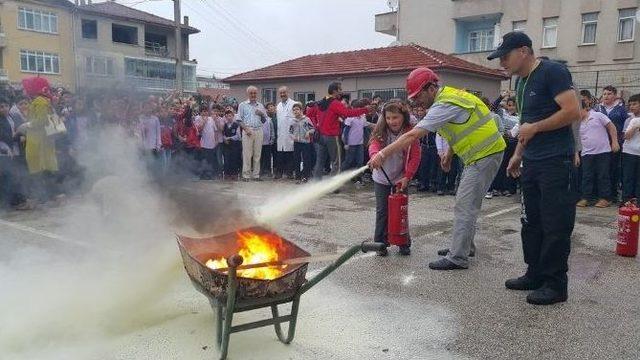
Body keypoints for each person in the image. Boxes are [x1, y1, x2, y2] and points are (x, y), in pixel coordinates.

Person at [369, 67, 505, 271]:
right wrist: (449, 154)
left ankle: (458, 257)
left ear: (431, 88)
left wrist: (382, 154)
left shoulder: (444, 104)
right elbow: (461, 127)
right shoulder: (451, 97)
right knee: (466, 204)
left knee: (464, 205)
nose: (417, 101)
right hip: (479, 155)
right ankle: (465, 247)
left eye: (419, 95)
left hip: (484, 155)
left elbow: (412, 136)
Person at [490, 31, 580, 305]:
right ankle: (535, 272)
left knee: (555, 224)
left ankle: (555, 284)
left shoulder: (553, 71)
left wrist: (537, 128)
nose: (502, 62)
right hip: (533, 160)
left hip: (556, 160)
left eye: (505, 56)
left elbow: (572, 111)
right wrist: (518, 153)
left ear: (524, 51)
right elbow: (527, 123)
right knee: (531, 221)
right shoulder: (521, 82)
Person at [368, 102, 421, 256]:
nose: (392, 121)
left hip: (400, 178)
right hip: (381, 179)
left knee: (401, 211)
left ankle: (404, 242)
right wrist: (374, 156)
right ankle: (380, 244)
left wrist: (407, 176)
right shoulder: (380, 131)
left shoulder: (411, 133)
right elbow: (373, 146)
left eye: (395, 117)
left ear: (403, 117)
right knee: (382, 211)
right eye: (389, 118)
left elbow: (415, 156)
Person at [314, 82, 371, 179]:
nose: (341, 92)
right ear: (335, 91)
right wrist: (364, 110)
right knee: (336, 161)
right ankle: (333, 186)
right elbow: (347, 113)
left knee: (320, 161)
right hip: (332, 136)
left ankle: (316, 183)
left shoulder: (321, 102)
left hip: (321, 136)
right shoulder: (335, 103)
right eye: (340, 90)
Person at [576, 100, 619, 207]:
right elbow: (575, 140)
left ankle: (605, 198)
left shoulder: (598, 115)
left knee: (603, 175)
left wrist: (614, 141)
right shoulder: (577, 123)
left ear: (585, 108)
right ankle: (587, 197)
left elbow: (611, 127)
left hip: (603, 152)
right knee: (587, 176)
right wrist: (576, 154)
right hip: (586, 153)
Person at [597, 85, 627, 202]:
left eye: (609, 94)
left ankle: (613, 194)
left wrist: (620, 141)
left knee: (613, 168)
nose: (606, 96)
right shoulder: (597, 108)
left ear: (615, 95)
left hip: (615, 143)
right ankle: (600, 193)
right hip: (600, 143)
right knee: (602, 169)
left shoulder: (621, 109)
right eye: (604, 94)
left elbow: (626, 124)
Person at [237, 86, 268, 181]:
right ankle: (246, 175)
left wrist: (261, 114)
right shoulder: (242, 105)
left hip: (259, 130)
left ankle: (256, 175)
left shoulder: (260, 106)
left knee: (257, 154)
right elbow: (239, 120)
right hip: (248, 131)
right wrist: (246, 129)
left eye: (255, 93)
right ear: (248, 94)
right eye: (251, 93)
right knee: (247, 154)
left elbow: (264, 120)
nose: (253, 95)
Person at [289, 102, 315, 183]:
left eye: (297, 109)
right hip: (297, 143)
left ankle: (305, 176)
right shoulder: (292, 121)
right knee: (296, 159)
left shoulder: (306, 119)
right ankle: (297, 177)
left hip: (306, 143)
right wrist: (293, 137)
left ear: (301, 110)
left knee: (306, 160)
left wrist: (309, 132)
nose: (295, 111)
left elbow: (313, 129)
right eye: (294, 110)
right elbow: (290, 132)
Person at [621, 94, 640, 202]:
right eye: (630, 105)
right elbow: (626, 136)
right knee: (628, 177)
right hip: (629, 152)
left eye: (635, 104)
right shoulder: (629, 120)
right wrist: (635, 126)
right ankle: (626, 200)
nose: (632, 107)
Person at [275, 87, 295, 179]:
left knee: (290, 155)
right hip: (281, 134)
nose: (282, 94)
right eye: (281, 93)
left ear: (288, 92)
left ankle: (289, 173)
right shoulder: (278, 105)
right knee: (280, 155)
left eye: (284, 92)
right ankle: (279, 173)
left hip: (290, 134)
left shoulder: (294, 104)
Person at [199, 107, 219, 180]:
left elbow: (216, 131)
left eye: (206, 111)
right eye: (203, 111)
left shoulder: (211, 119)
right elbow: (200, 129)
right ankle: (203, 175)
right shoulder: (199, 119)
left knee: (211, 160)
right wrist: (204, 121)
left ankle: (210, 175)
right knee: (204, 160)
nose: (205, 113)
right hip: (203, 144)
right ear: (201, 112)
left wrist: (216, 140)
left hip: (211, 144)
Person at [222, 109, 242, 180]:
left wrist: (230, 138)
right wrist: (224, 139)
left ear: (233, 116)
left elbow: (238, 136)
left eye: (230, 116)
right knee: (227, 160)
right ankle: (227, 174)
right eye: (227, 116)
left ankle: (235, 174)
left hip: (234, 146)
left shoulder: (236, 125)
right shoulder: (224, 125)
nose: (228, 117)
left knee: (234, 160)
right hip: (226, 146)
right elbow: (223, 134)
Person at [260, 102, 276, 177]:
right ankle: (261, 171)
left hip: (268, 143)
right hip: (260, 143)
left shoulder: (269, 120)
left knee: (268, 157)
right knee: (260, 157)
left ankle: (269, 171)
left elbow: (272, 131)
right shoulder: (258, 120)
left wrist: (272, 139)